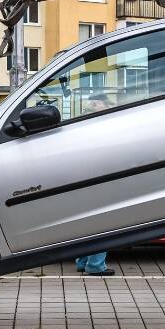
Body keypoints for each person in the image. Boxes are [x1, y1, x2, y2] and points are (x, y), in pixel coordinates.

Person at [74, 93, 115, 277]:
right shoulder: (103, 124)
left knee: (87, 222)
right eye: (98, 103)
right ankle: (96, 265)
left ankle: (82, 261)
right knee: (102, 222)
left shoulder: (83, 123)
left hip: (85, 179)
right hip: (100, 178)